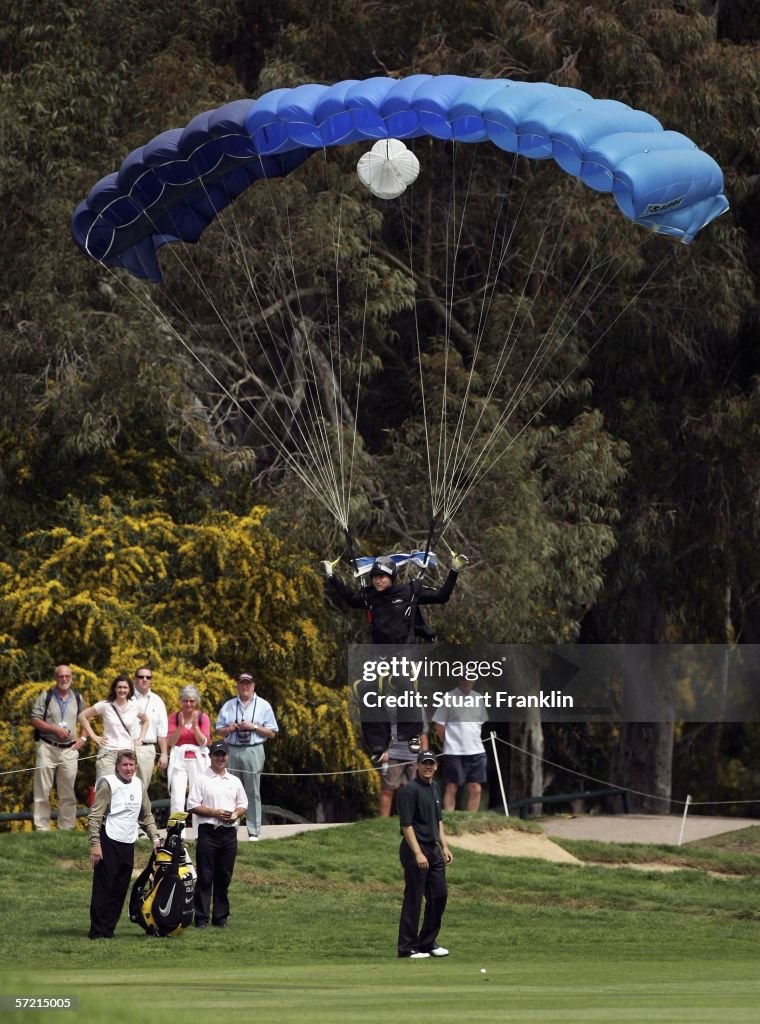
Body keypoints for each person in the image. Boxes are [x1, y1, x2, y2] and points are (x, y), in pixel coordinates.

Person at [323, 552, 467, 759]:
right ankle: (378, 743)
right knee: (367, 689)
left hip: (404, 652)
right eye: (375, 577)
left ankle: (412, 734)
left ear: (391, 577)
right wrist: (332, 577)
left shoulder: (409, 591)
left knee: (403, 683)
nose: (378, 580)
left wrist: (454, 571)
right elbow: (350, 599)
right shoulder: (369, 595)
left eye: (382, 576)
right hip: (380, 654)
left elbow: (441, 596)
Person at [87, 748, 160, 939]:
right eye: (124, 765)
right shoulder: (107, 784)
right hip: (108, 839)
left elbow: (146, 815)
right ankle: (97, 931)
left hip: (128, 841)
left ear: (136, 766)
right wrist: (95, 844)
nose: (128, 769)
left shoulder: (139, 785)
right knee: (104, 887)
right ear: (117, 767)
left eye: (131, 765)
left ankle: (109, 930)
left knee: (120, 888)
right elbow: (95, 816)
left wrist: (155, 838)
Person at [396, 750, 452, 959]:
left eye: (431, 764)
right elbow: (406, 825)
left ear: (436, 767)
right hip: (414, 849)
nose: (428, 767)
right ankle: (407, 947)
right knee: (414, 898)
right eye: (424, 764)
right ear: (417, 766)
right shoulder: (409, 791)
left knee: (439, 895)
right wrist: (418, 853)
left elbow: (439, 821)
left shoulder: (435, 787)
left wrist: (444, 845)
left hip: (433, 848)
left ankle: (427, 942)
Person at [187, 740, 247, 929]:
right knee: (205, 877)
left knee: (224, 877)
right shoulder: (202, 779)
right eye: (216, 754)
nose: (220, 758)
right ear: (210, 756)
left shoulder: (234, 780)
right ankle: (202, 918)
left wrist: (236, 814)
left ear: (227, 756)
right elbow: (192, 805)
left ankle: (221, 918)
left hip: (229, 834)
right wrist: (214, 813)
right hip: (208, 832)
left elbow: (243, 803)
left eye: (223, 755)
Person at [215, 672, 278, 841]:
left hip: (253, 749)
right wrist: (230, 728)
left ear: (253, 686)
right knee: (229, 789)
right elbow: (218, 731)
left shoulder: (263, 705)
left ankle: (253, 830)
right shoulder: (228, 705)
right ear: (237, 685)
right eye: (242, 683)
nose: (245, 687)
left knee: (252, 789)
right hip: (233, 748)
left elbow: (271, 732)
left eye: (248, 684)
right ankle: (230, 824)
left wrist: (254, 726)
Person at [30, 664, 88, 831]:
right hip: (47, 747)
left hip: (69, 749)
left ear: (71, 678)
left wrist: (83, 738)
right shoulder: (46, 696)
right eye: (61, 676)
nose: (64, 679)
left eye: (67, 676)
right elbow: (35, 719)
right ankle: (42, 828)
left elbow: (85, 718)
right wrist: (54, 729)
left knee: (68, 791)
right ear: (55, 678)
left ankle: (67, 828)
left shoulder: (78, 697)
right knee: (42, 790)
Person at [432, 679, 489, 811]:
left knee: (476, 787)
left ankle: (471, 819)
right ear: (460, 680)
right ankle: (449, 818)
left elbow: (479, 724)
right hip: (454, 751)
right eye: (465, 680)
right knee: (452, 786)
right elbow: (439, 726)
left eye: (471, 680)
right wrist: (447, 742)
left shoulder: (478, 698)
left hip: (477, 751)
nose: (468, 683)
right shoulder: (449, 697)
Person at [78, 675, 149, 779]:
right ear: (114, 689)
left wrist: (141, 739)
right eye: (119, 687)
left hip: (127, 753)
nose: (122, 690)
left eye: (125, 687)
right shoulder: (105, 705)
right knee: (105, 787)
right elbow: (82, 716)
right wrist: (93, 736)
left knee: (125, 789)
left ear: (129, 689)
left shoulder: (135, 706)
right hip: (108, 752)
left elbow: (146, 721)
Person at [166, 684, 211, 834]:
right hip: (179, 760)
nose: (188, 704)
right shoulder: (174, 717)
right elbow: (171, 742)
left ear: (196, 702)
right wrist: (180, 726)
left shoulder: (202, 717)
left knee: (198, 797)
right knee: (177, 798)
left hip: (198, 760)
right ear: (181, 701)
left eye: (191, 701)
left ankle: (201, 833)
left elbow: (204, 742)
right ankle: (177, 834)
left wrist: (195, 726)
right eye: (185, 701)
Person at [379, 715, 430, 818]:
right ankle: (383, 822)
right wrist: (383, 750)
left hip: (413, 756)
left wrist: (425, 754)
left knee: (408, 791)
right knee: (388, 789)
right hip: (392, 755)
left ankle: (406, 820)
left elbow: (423, 732)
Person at [131, 666, 168, 793]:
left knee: (142, 789)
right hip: (127, 746)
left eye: (148, 677)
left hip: (147, 749)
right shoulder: (126, 697)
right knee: (123, 787)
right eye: (141, 677)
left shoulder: (158, 701)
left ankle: (139, 813)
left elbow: (162, 731)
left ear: (151, 680)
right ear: (135, 679)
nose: (144, 679)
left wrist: (164, 754)